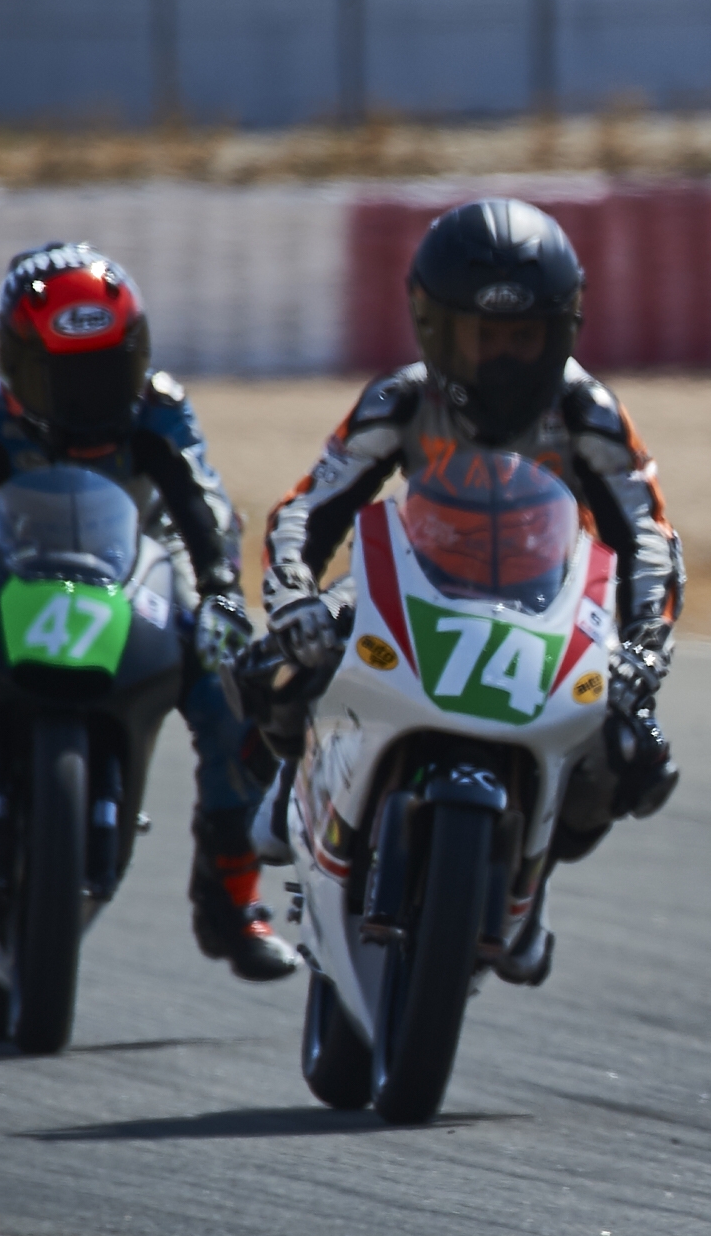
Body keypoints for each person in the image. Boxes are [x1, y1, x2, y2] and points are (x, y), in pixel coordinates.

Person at [0, 240, 297, 981]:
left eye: (107, 371)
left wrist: (220, 591)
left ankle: (232, 900)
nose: (90, 399)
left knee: (231, 693)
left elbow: (205, 506)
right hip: (15, 550)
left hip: (141, 562)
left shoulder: (160, 409)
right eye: (65, 377)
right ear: (15, 366)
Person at [258, 198, 683, 982]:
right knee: (270, 669)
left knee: (632, 755)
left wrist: (645, 648)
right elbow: (310, 507)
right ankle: (297, 783)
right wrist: (294, 599)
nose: (501, 360)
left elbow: (647, 534)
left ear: (562, 331)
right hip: (408, 580)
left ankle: (533, 878)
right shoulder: (399, 400)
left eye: (523, 338)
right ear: (433, 328)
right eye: (480, 337)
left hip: (551, 603)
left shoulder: (589, 412)